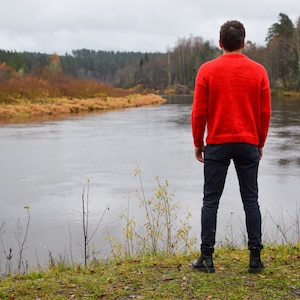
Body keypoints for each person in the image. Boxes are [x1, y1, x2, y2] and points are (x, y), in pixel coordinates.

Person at [191, 20, 271, 273]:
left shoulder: (207, 70)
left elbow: (198, 113)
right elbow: (265, 113)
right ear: (243, 42)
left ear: (220, 43)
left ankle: (207, 258)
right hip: (248, 142)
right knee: (251, 200)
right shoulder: (259, 71)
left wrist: (198, 144)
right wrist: (260, 142)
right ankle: (255, 259)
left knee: (210, 201)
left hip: (217, 143)